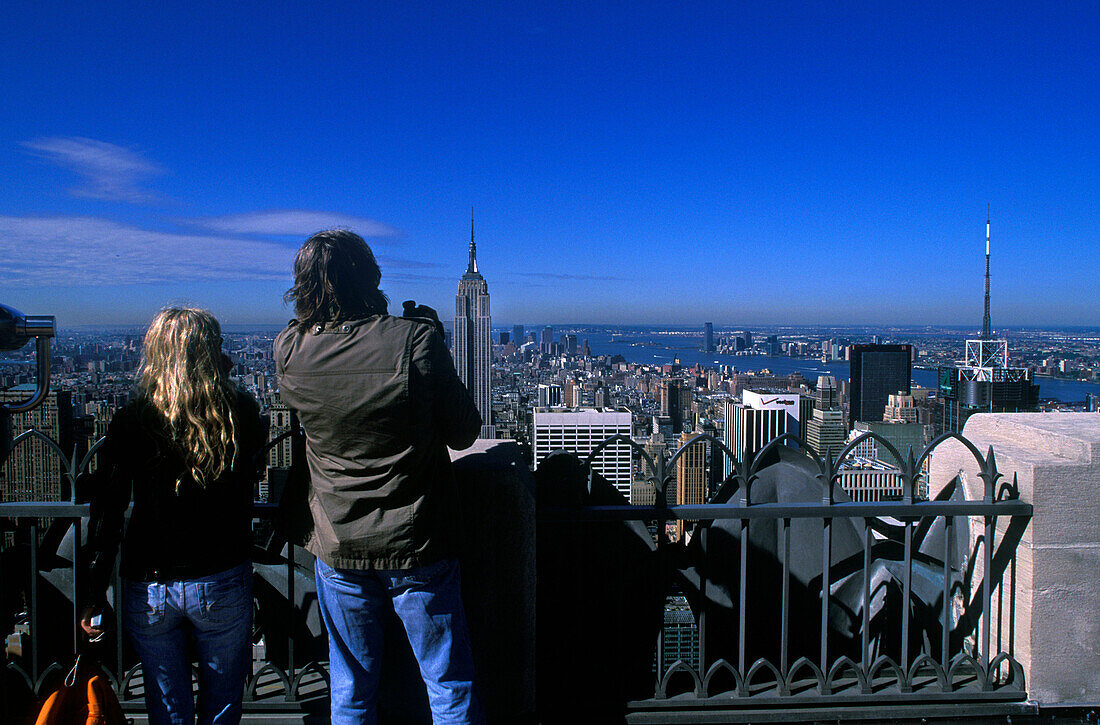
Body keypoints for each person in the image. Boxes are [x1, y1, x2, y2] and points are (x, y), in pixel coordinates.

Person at [274, 229, 484, 725]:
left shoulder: (288, 350)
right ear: (371, 277)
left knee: (351, 692)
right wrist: (430, 342)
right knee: (448, 686)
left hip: (338, 542)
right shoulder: (414, 340)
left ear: (302, 286)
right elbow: (464, 432)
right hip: (418, 542)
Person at [81, 308, 265, 725]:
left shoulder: (133, 419)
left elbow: (107, 511)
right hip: (221, 576)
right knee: (221, 705)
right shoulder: (238, 413)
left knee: (166, 707)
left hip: (150, 584)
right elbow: (251, 473)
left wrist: (93, 591)